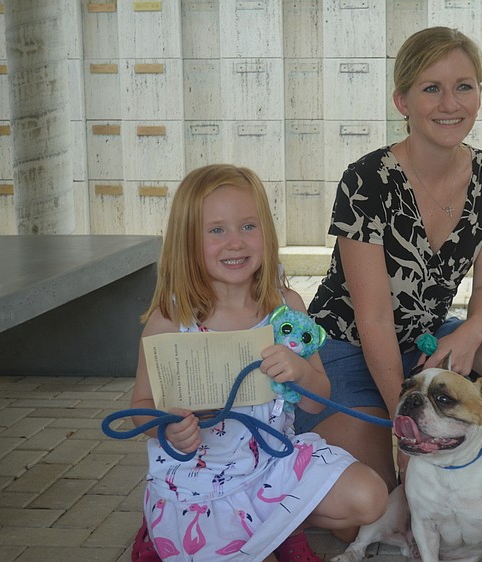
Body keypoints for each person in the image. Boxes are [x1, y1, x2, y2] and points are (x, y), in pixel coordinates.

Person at [296, 27, 482, 496]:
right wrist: (405, 426)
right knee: (376, 496)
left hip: (424, 348)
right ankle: (363, 420)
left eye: (464, 86)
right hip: (345, 347)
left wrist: (468, 334)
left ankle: (462, 426)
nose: (450, 104)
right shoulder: (367, 179)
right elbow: (375, 319)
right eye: (431, 88)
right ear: (402, 101)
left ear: (479, 93)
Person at [129, 164, 387, 562]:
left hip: (273, 465)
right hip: (201, 485)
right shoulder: (170, 321)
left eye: (248, 226)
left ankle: (271, 526)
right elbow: (140, 407)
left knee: (370, 497)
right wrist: (166, 428)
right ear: (186, 241)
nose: (236, 242)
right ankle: (237, 532)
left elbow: (318, 401)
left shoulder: (287, 310)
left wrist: (301, 373)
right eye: (216, 230)